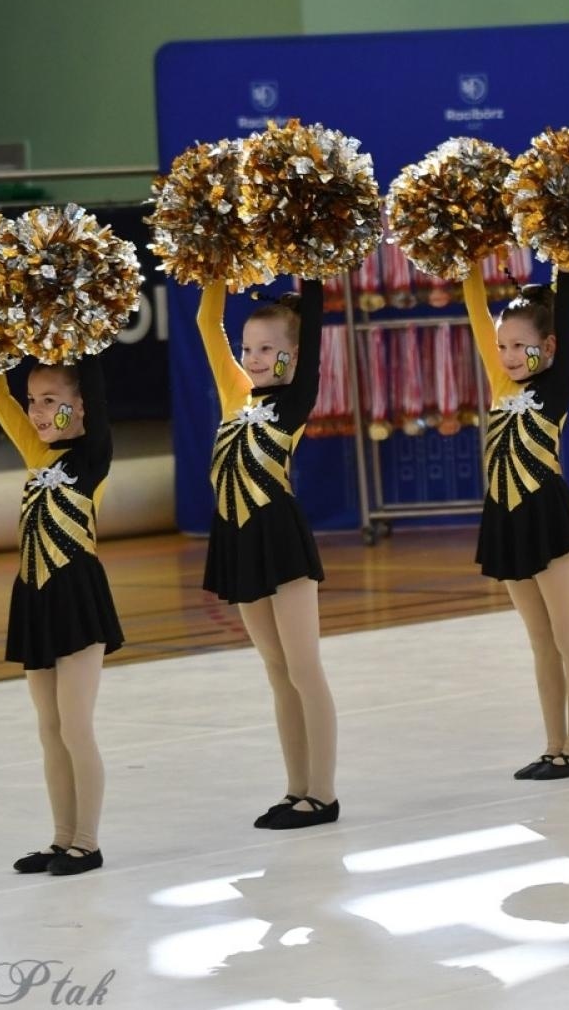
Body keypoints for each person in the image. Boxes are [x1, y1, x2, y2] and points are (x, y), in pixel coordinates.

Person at [198, 281, 340, 829]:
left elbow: (316, 330)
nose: (253, 359)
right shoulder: (237, 396)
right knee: (278, 672)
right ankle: (295, 787)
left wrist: (313, 269)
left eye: (265, 349)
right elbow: (207, 327)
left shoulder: (293, 400)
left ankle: (323, 795)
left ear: (292, 355)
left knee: (305, 669)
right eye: (248, 348)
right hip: (238, 541)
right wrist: (212, 267)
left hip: (280, 538)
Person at [0, 355, 121, 876]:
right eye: (34, 401)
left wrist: (78, 335)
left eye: (51, 401)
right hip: (34, 597)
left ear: (80, 408)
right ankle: (62, 839)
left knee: (77, 726)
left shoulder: (94, 456)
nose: (37, 412)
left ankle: (88, 841)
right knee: (50, 727)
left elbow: (99, 394)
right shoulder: (36, 454)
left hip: (76, 595)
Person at [463, 268, 569, 780]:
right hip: (505, 519)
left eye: (521, 345)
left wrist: (564, 254)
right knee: (540, 642)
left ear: (549, 345)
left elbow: (566, 305)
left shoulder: (557, 383)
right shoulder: (500, 383)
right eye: (503, 347)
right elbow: (475, 310)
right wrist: (469, 258)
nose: (511, 355)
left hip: (546, 517)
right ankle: (553, 744)